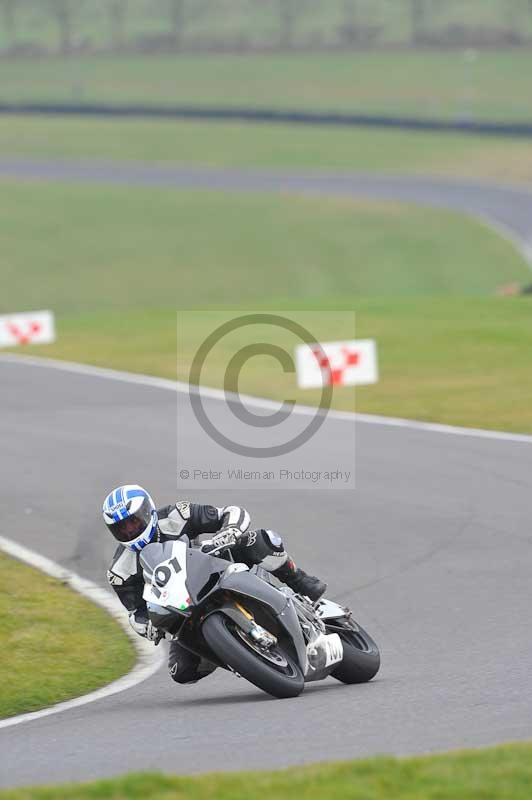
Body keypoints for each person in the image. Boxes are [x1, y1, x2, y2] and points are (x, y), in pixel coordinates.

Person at [103, 484, 326, 685]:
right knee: (181, 672)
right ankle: (237, 654)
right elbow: (135, 613)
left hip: (216, 567)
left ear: (147, 511)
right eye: (121, 528)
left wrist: (229, 531)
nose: (130, 530)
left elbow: (231, 513)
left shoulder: (176, 515)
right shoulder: (119, 571)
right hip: (183, 610)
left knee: (257, 540)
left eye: (133, 521)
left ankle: (300, 580)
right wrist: (149, 627)